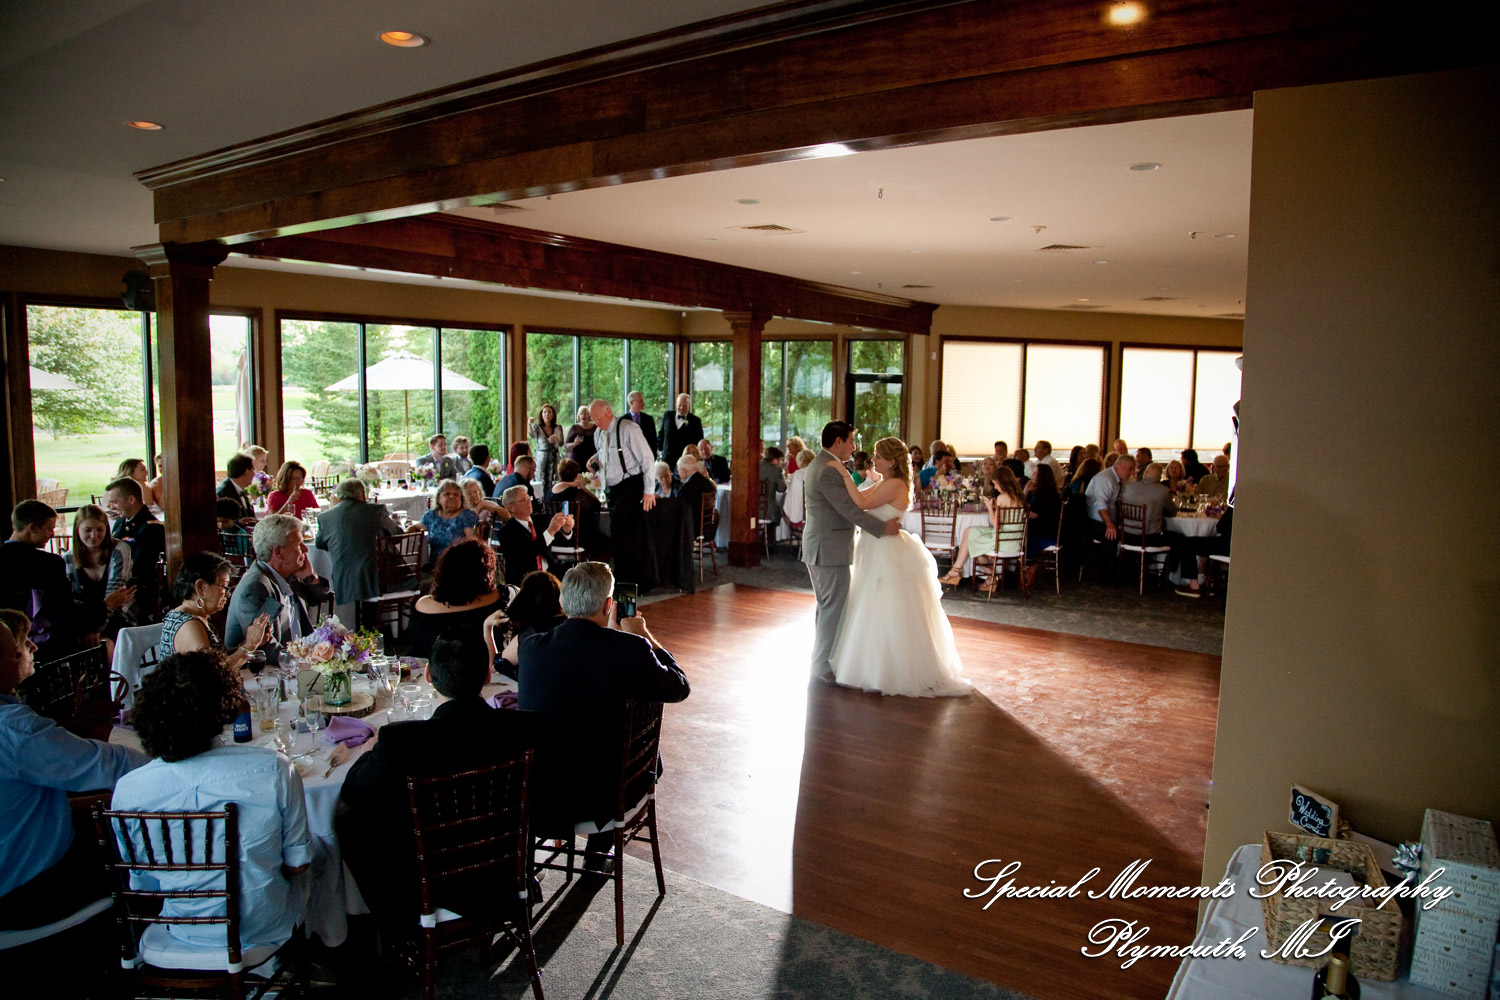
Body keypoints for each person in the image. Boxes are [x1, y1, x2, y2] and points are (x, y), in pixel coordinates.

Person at [338, 630, 541, 951]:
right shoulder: (524, 727)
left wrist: (368, 752)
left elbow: (353, 793)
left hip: (431, 881)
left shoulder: (400, 741)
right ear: (487, 675)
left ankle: (389, 926)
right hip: (501, 871)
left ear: (429, 676)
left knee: (348, 821)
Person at [110, 649, 311, 961]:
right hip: (260, 928)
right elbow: (297, 865)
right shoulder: (273, 768)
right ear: (224, 708)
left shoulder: (128, 790)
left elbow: (144, 881)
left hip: (183, 928)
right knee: (321, 852)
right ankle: (325, 951)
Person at [518, 562, 689, 863]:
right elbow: (679, 687)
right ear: (609, 605)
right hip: (606, 795)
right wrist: (644, 635)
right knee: (607, 738)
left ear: (562, 602)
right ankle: (597, 853)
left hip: (545, 794)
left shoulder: (531, 648)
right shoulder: (630, 649)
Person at [0, 612, 147, 931]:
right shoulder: (15, 731)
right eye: (16, 651)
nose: (31, 649)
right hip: (26, 891)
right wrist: (171, 765)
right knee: (150, 857)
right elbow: (108, 764)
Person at [824, 437, 969, 696]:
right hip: (875, 546)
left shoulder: (895, 484)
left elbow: (861, 503)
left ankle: (886, 670)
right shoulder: (886, 482)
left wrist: (845, 474)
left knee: (882, 606)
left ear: (891, 461)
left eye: (879, 457)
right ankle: (869, 664)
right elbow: (859, 497)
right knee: (870, 604)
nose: (874, 460)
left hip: (884, 551)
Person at [800, 422, 901, 683]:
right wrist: (883, 528)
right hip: (828, 549)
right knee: (832, 608)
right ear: (838, 442)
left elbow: (852, 501)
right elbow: (849, 510)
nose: (854, 447)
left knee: (827, 607)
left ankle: (823, 661)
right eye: (851, 441)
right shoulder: (828, 469)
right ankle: (821, 666)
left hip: (824, 547)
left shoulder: (825, 464)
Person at [224, 514, 319, 649]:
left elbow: (321, 598)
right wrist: (300, 658)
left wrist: (310, 577)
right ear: (278, 552)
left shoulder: (287, 574)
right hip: (274, 662)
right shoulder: (257, 587)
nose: (306, 549)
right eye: (299, 545)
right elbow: (263, 645)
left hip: (297, 656)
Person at [163, 551, 271, 668]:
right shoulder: (190, 625)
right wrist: (250, 645)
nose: (228, 594)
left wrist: (247, 643)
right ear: (200, 587)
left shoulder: (194, 616)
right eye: (224, 586)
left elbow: (217, 658)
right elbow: (213, 673)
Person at [591, 398, 657, 588]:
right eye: (594, 420)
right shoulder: (599, 433)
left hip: (631, 486)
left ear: (608, 412)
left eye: (598, 419)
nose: (597, 423)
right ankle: (622, 580)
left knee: (626, 535)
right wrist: (594, 461)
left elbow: (647, 459)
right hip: (612, 490)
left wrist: (649, 491)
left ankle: (631, 581)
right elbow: (605, 455)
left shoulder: (628, 429)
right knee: (619, 536)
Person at [315, 478, 401, 624]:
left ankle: (354, 628)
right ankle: (376, 629)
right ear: (362, 494)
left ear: (339, 496)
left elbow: (320, 544)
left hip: (343, 578)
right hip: (376, 577)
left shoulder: (325, 517)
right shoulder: (376, 510)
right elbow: (397, 535)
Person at [1, 500, 75, 661]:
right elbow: (66, 612)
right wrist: (105, 606)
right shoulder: (50, 564)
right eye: (50, 528)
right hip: (46, 650)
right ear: (33, 528)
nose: (52, 534)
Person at [407, 540, 506, 658]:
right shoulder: (498, 596)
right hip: (489, 664)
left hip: (436, 666)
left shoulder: (423, 606)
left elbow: (416, 651)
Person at [939, 467, 1025, 589]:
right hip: (1015, 540)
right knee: (970, 534)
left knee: (971, 539)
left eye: (996, 484)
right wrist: (995, 507)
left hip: (1002, 540)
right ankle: (989, 579)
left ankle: (956, 571)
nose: (995, 488)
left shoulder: (1002, 497)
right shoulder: (1020, 496)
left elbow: (997, 525)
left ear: (1002, 482)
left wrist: (989, 507)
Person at [63, 503, 136, 640]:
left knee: (104, 643)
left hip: (119, 616)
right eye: (88, 530)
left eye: (100, 529)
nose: (94, 535)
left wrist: (97, 630)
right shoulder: (68, 559)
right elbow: (71, 603)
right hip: (85, 621)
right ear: (77, 530)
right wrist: (90, 626)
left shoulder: (119, 550)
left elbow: (116, 595)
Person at [484, 570, 564, 677]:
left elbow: (492, 667)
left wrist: (487, 627)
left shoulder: (527, 637)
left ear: (524, 600)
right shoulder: (573, 623)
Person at [107, 477, 165, 622]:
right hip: (114, 582)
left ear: (131, 499)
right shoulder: (121, 522)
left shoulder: (151, 528)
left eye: (115, 502)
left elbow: (140, 569)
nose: (111, 507)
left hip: (135, 592)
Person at [496, 485, 575, 586]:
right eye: (523, 500)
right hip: (525, 581)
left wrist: (566, 531)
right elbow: (527, 553)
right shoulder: (506, 531)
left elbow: (559, 542)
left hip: (549, 574)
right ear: (512, 507)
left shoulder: (540, 520)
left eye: (529, 498)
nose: (529, 501)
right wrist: (550, 531)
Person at [548, 458, 604, 557]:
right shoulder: (576, 494)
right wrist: (583, 488)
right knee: (607, 543)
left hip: (553, 537)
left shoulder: (550, 491)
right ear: (577, 475)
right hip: (575, 538)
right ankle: (590, 566)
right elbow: (597, 505)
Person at [421, 479, 479, 567]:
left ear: (461, 499)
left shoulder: (466, 515)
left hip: (459, 565)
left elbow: (472, 543)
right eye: (447, 494)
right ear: (439, 499)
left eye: (456, 494)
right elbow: (418, 527)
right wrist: (409, 529)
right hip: (435, 564)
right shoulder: (431, 515)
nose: (452, 497)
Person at [1120, 461, 1177, 545]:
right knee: (1178, 538)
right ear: (1160, 477)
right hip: (1150, 538)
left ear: (1146, 473)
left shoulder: (1128, 487)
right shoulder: (1164, 491)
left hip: (1125, 535)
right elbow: (1173, 512)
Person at [1086, 454, 1137, 544]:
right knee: (1128, 538)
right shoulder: (1106, 479)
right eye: (1131, 468)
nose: (1132, 473)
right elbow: (1100, 504)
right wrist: (1109, 524)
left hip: (1107, 520)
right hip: (1097, 522)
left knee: (1131, 534)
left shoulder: (1116, 479)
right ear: (1120, 465)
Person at [675, 453, 719, 539]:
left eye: (678, 470)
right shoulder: (706, 482)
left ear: (683, 471)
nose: (678, 473)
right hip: (708, 524)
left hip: (694, 526)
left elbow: (680, 509)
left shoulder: (688, 487)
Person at [657, 393, 704, 467]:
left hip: (685, 461)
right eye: (679, 405)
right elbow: (661, 435)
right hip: (667, 460)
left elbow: (698, 441)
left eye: (685, 406)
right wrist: (660, 451)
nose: (682, 408)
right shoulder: (668, 416)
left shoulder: (695, 421)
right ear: (676, 404)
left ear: (689, 405)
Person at [530, 404, 564, 493]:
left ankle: (553, 497)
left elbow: (561, 443)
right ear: (541, 414)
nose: (547, 414)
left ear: (553, 415)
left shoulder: (558, 428)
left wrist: (556, 438)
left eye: (549, 412)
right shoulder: (537, 427)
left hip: (555, 457)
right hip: (542, 457)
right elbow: (532, 435)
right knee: (541, 480)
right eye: (544, 412)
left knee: (555, 479)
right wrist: (529, 424)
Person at [217, 452, 257, 525]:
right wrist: (239, 523)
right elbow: (222, 522)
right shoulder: (223, 492)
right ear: (246, 472)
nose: (254, 474)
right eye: (253, 469)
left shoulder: (241, 489)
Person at [781, 448, 816, 528]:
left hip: (799, 517)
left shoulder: (798, 474)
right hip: (815, 516)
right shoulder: (816, 473)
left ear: (800, 461)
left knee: (782, 505)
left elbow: (793, 496)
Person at [623, 391, 657, 457]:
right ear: (631, 403)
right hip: (629, 458)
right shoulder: (623, 420)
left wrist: (653, 456)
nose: (643, 403)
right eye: (640, 401)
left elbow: (653, 441)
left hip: (647, 457)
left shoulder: (649, 419)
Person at [566, 405, 597, 470]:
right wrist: (574, 444)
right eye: (581, 414)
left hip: (592, 459)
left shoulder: (595, 427)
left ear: (589, 416)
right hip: (577, 459)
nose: (583, 416)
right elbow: (566, 445)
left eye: (585, 414)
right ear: (578, 416)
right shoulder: (574, 428)